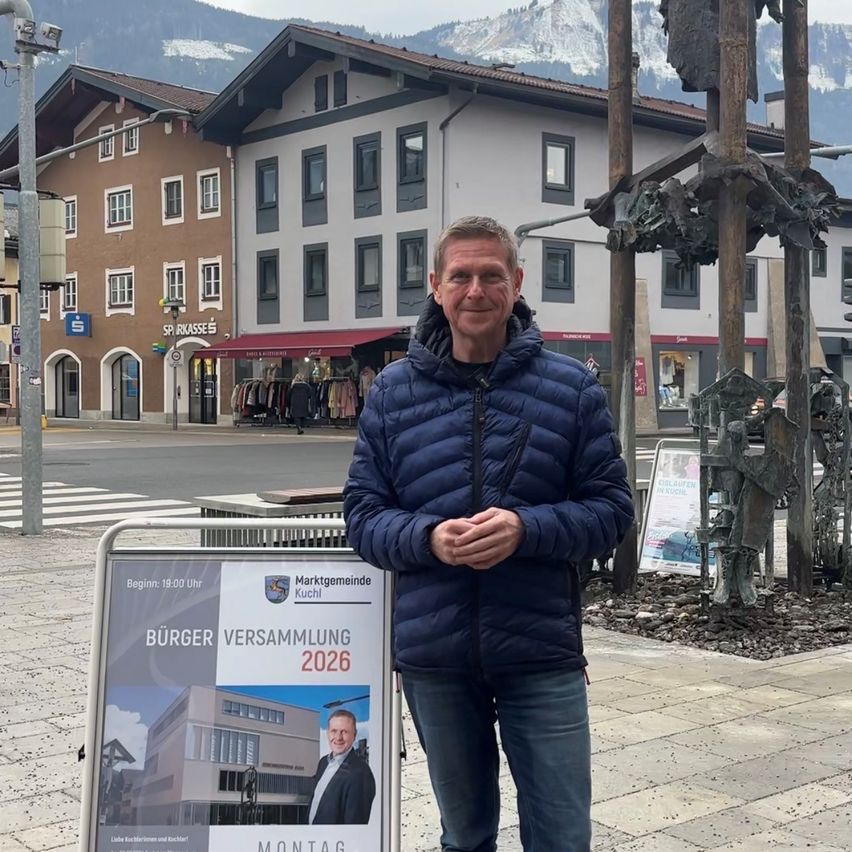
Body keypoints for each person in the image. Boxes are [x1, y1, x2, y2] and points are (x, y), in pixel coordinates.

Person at [343, 216, 633, 852]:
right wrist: (429, 540)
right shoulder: (392, 393)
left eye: (491, 275)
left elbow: (612, 511)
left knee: (561, 835)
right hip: (435, 659)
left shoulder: (570, 387)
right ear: (436, 287)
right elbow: (363, 517)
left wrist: (526, 529)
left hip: (541, 652)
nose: (476, 290)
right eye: (461, 276)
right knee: (465, 836)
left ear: (517, 283)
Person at [307, 709, 375, 825]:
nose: (338, 737)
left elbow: (354, 826)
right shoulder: (323, 763)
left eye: (344, 732)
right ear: (328, 733)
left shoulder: (361, 773)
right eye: (334, 731)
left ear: (354, 735)